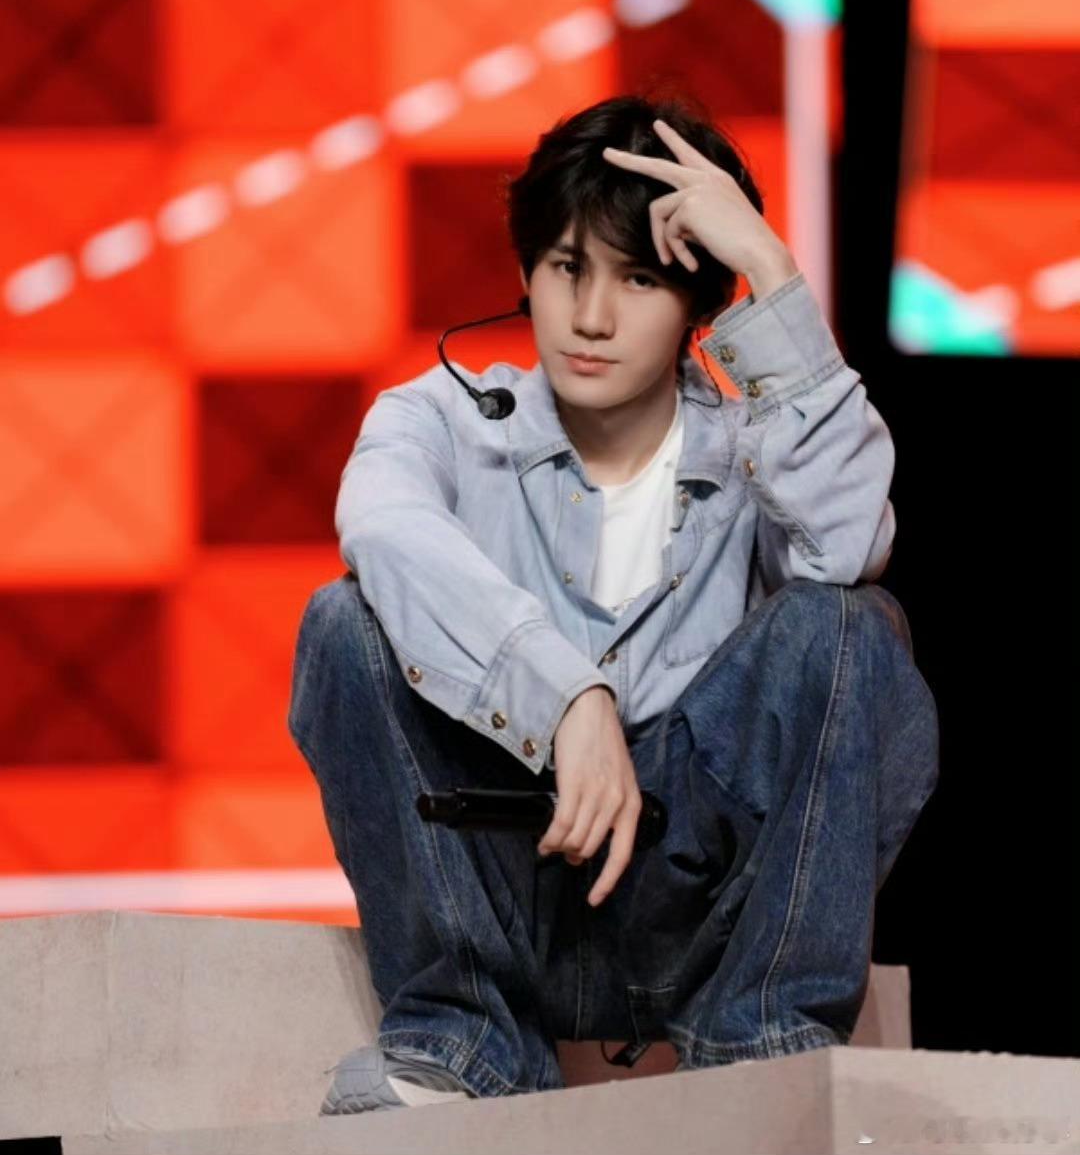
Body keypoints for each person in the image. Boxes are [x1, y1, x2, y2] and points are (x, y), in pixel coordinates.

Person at [287, 91, 940, 1116]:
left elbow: (853, 544)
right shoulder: (439, 420)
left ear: (697, 304)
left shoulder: (758, 449)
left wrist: (771, 270)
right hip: (505, 902)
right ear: (526, 274)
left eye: (638, 278)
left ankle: (767, 1052)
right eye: (566, 268)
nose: (591, 318)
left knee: (852, 626)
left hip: (697, 931)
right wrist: (565, 696)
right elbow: (384, 527)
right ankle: (462, 1044)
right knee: (345, 622)